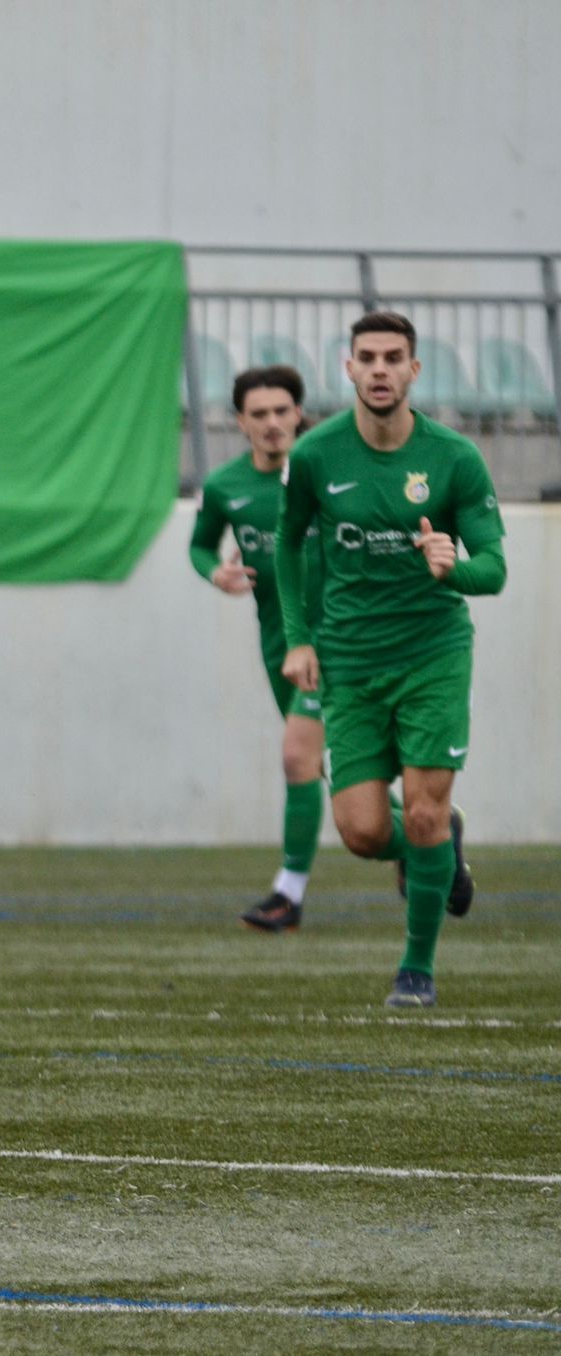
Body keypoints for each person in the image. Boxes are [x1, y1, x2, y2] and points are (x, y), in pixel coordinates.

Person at [276, 312, 502, 1008]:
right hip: (349, 659)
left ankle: (417, 968)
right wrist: (299, 637)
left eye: (393, 357)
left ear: (414, 371)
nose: (379, 369)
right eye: (367, 357)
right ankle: (437, 848)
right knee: (364, 832)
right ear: (348, 369)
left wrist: (451, 568)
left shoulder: (454, 457)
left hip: (433, 654)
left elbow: (492, 568)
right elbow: (288, 547)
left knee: (427, 812)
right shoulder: (315, 455)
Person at [189, 366, 329, 931]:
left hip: (337, 639)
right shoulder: (226, 486)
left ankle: (288, 894)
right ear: (240, 421)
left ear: (298, 413)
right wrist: (214, 573)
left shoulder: (327, 474)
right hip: (279, 643)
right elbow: (200, 546)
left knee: (297, 757)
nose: (272, 424)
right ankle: (427, 838)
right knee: (331, 774)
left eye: (281, 411)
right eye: (259, 414)